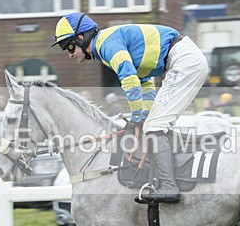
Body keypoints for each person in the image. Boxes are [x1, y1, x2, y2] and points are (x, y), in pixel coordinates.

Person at [53, 12, 209, 203]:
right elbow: (145, 84)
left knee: (155, 127)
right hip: (182, 60)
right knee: (153, 124)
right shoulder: (106, 48)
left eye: (68, 46)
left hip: (183, 61)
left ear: (81, 37)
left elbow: (129, 80)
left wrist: (136, 116)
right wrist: (143, 115)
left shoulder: (106, 45)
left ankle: (169, 186)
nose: (69, 54)